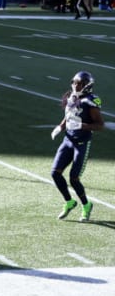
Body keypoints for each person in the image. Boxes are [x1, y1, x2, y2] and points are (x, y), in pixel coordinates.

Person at [50, 71, 103, 222]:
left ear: (87, 85)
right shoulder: (71, 97)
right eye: (73, 82)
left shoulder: (91, 101)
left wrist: (81, 125)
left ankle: (86, 205)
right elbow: (69, 116)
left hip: (81, 143)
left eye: (78, 83)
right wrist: (60, 128)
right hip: (68, 140)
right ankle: (69, 202)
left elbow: (100, 125)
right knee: (55, 173)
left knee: (74, 178)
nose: (75, 85)